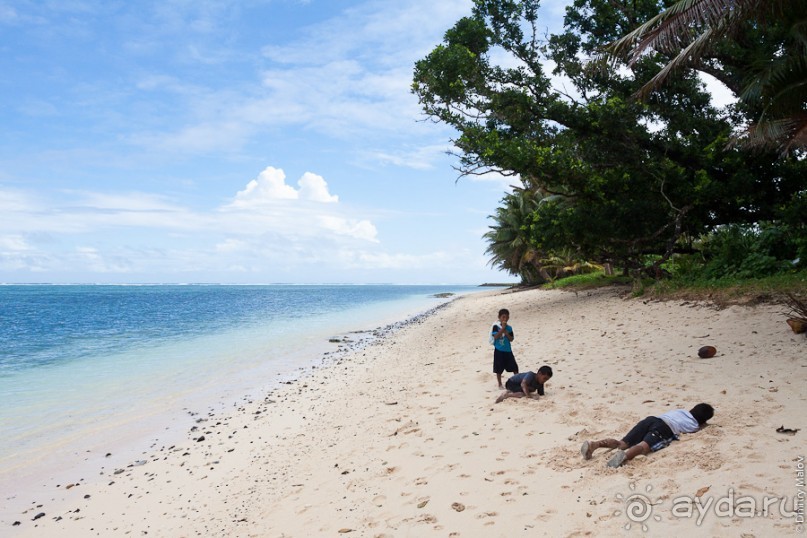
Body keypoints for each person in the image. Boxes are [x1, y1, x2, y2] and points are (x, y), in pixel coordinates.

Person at [580, 403, 714, 468]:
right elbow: (695, 428)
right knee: (643, 447)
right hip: (665, 428)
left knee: (623, 443)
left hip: (652, 419)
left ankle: (595, 444)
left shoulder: (680, 411)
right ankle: (625, 456)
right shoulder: (694, 425)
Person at [490, 308, 517, 388]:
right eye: (503, 317)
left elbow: (511, 339)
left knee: (514, 367)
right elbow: (495, 336)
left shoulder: (509, 328)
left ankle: (517, 380)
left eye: (507, 317)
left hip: (508, 350)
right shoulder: (496, 326)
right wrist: (502, 329)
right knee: (499, 369)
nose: (505, 319)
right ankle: (500, 384)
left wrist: (506, 332)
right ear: (499, 317)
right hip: (499, 350)